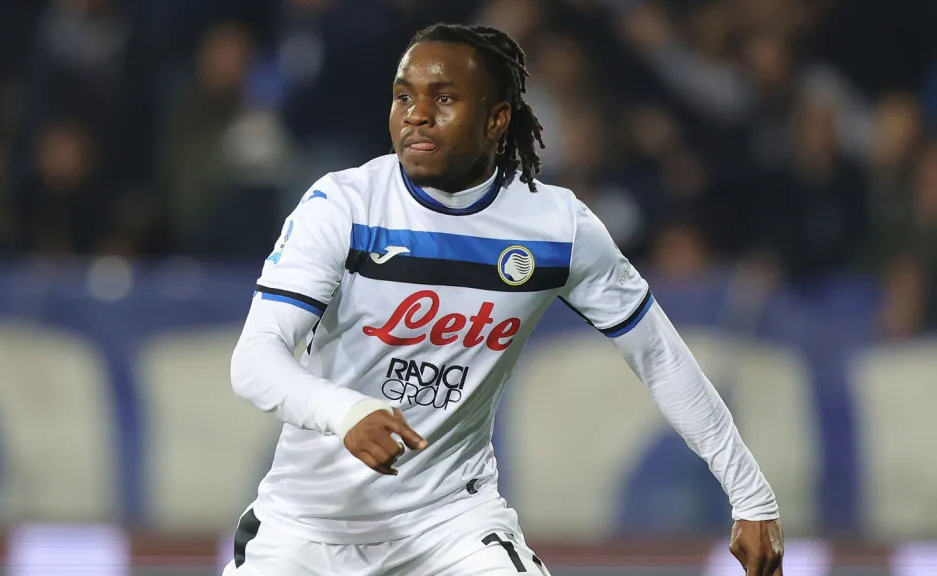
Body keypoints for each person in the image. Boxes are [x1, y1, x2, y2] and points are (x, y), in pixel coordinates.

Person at [225, 23, 784, 576]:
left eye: (443, 98)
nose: (416, 114)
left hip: (449, 525)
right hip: (305, 531)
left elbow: (660, 358)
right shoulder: (343, 206)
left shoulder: (556, 229)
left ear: (497, 119)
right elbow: (256, 360)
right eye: (403, 96)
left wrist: (751, 496)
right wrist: (345, 411)